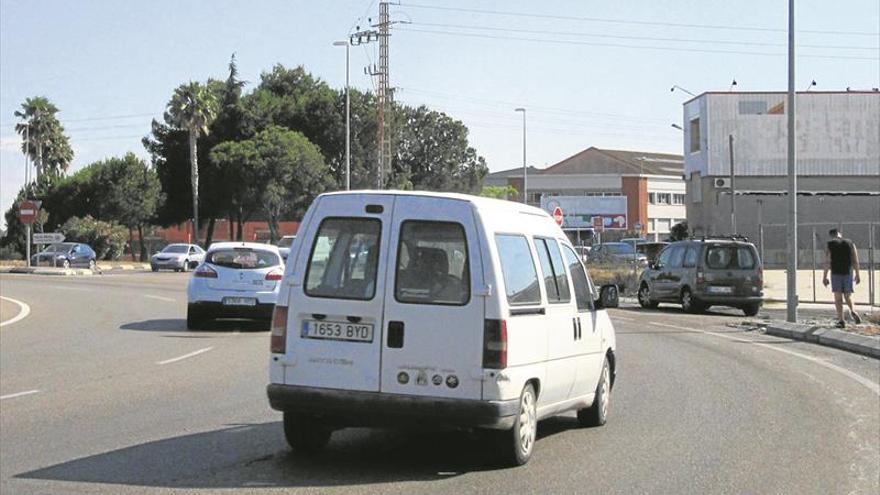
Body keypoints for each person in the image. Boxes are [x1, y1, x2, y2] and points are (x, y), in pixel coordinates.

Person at [822, 229, 861, 328]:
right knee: (848, 295)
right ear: (840, 234)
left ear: (831, 235)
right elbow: (855, 260)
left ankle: (841, 320)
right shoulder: (850, 243)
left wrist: (825, 276)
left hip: (836, 273)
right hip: (848, 272)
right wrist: (857, 274)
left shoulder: (830, 244)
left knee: (838, 298)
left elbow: (828, 261)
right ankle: (852, 310)